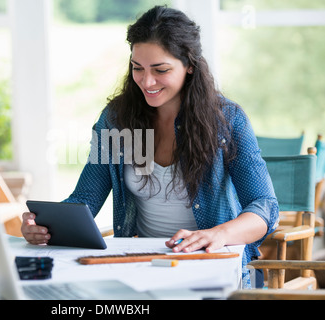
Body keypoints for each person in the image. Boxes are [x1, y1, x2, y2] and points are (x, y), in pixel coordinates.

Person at [21, 5, 279, 288]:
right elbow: (85, 199)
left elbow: (265, 207)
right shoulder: (116, 120)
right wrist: (44, 226)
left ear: (189, 65)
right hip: (141, 267)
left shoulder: (227, 120)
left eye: (161, 70)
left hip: (210, 264)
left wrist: (219, 234)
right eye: (137, 68)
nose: (147, 81)